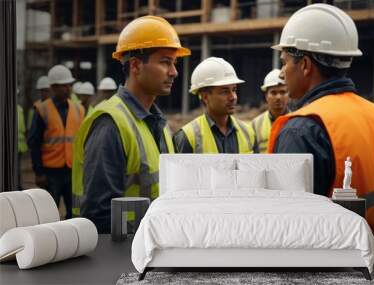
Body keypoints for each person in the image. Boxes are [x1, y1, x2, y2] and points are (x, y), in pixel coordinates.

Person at [268, 4, 374, 233]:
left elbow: (289, 228)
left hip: (338, 264)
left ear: (306, 65)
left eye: (285, 61)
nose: (281, 73)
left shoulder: (302, 129)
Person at [72, 15, 190, 233]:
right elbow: (99, 215)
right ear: (135, 65)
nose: (174, 72)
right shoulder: (110, 124)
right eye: (165, 62)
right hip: (121, 255)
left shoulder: (159, 124)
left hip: (152, 248)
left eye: (174, 63)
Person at [28, 64, 85, 219]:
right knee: (49, 213)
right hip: (50, 172)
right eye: (63, 85)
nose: (68, 88)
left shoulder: (79, 109)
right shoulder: (42, 109)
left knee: (74, 212)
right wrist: (39, 172)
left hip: (72, 170)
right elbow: (34, 143)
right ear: (53, 87)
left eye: (69, 85)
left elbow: (82, 142)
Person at [174, 57, 257, 154]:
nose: (233, 97)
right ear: (205, 97)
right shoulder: (188, 136)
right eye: (225, 92)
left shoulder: (248, 132)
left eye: (234, 90)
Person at [251, 69, 289, 153]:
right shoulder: (255, 124)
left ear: (288, 95)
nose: (278, 97)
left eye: (282, 92)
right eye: (273, 93)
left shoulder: (296, 120)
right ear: (266, 96)